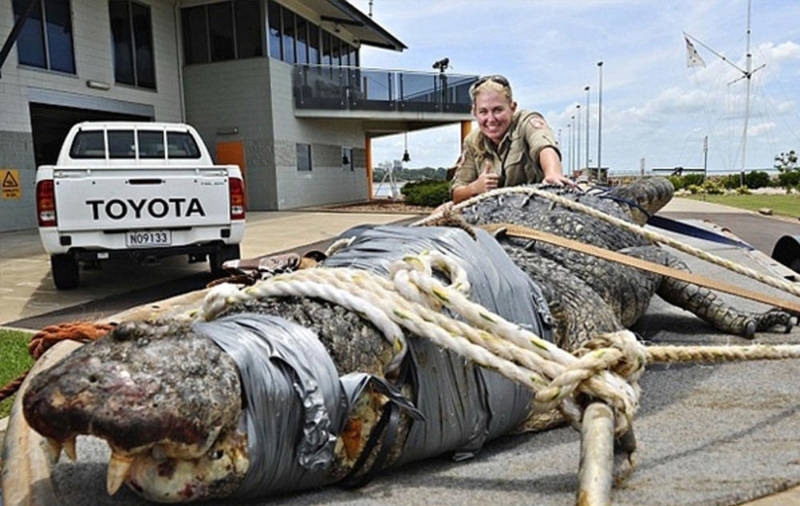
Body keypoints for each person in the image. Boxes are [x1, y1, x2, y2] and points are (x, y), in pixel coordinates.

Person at [450, 75, 572, 204]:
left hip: (535, 204)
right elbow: (457, 194)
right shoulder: (472, 141)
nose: (491, 119)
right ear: (474, 113)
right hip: (491, 210)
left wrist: (552, 173)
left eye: (498, 110)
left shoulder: (526, 122)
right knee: (441, 211)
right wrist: (474, 188)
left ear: (512, 108)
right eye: (483, 112)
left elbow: (543, 145)